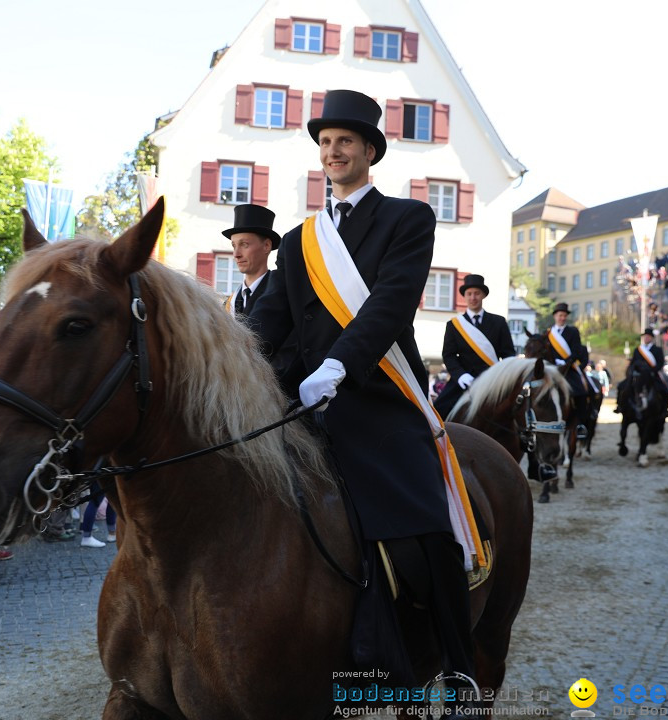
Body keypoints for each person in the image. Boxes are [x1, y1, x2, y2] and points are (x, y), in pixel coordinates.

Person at [250, 89, 474, 685]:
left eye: (344, 141)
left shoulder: (407, 218)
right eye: (325, 143)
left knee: (428, 527)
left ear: (370, 150)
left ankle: (458, 668)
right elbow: (271, 323)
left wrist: (341, 364)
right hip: (304, 401)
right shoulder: (299, 241)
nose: (333, 151)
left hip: (379, 396)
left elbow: (389, 304)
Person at [432, 273, 516, 418]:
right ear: (464, 297)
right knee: (439, 409)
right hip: (464, 379)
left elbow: (508, 354)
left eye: (477, 293)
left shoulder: (499, 322)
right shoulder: (454, 325)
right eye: (469, 294)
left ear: (483, 295)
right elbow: (449, 355)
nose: (473, 297)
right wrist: (461, 375)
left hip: (492, 380)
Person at [223, 203, 281, 316]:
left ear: (266, 246)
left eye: (244, 244)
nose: (236, 254)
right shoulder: (229, 305)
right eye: (234, 246)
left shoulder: (282, 295)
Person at [548, 303, 590, 437]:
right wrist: (554, 362)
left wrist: (567, 362)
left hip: (569, 368)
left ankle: (580, 424)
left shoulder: (573, 331)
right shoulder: (549, 333)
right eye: (560, 315)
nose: (562, 318)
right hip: (552, 368)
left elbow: (577, 350)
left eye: (564, 316)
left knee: (581, 391)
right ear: (555, 316)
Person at [614, 328, 668, 416]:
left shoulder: (657, 349)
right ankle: (620, 405)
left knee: (663, 389)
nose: (646, 338)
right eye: (645, 336)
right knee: (621, 386)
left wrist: (652, 371)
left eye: (648, 336)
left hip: (652, 374)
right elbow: (632, 363)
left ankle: (665, 409)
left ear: (651, 338)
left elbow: (660, 363)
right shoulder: (638, 350)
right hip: (638, 374)